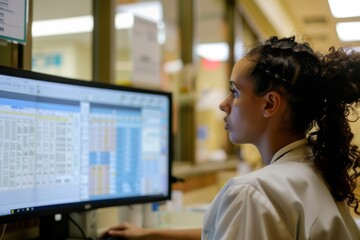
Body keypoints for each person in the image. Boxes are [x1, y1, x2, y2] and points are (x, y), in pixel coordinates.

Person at [101, 36, 360, 239]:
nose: (223, 104)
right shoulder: (313, 171)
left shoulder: (254, 192)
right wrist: (149, 234)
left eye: (235, 92)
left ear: (270, 104)